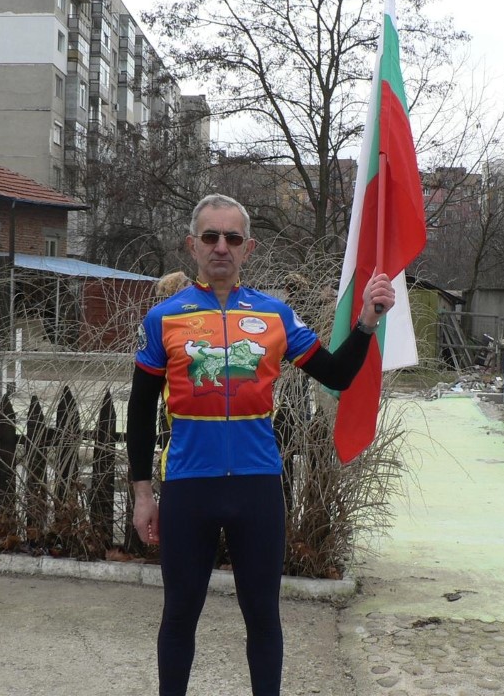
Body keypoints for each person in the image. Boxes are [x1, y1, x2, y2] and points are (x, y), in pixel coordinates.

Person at [126, 193, 395, 696]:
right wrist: (143, 493)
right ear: (191, 245)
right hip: (188, 487)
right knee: (179, 616)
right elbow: (139, 411)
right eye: (210, 236)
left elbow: (336, 374)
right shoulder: (163, 318)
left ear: (248, 248)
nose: (221, 247)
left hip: (257, 488)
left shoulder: (275, 316)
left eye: (232, 238)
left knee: (264, 618)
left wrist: (366, 322)